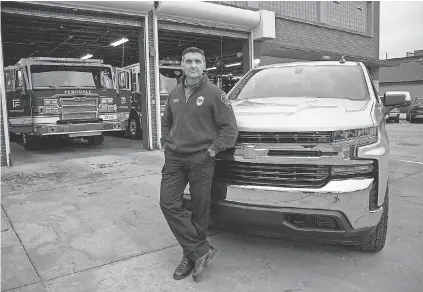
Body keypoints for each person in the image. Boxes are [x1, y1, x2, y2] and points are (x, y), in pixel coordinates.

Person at [160, 47, 238, 282]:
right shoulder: (174, 94)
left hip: (201, 159)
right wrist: (166, 142)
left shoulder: (215, 94)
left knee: (199, 210)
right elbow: (166, 123)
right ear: (181, 65)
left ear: (204, 65)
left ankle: (191, 256)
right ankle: (201, 250)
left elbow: (229, 129)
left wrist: (212, 150)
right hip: (174, 159)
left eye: (197, 61)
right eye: (188, 61)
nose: (193, 65)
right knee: (167, 203)